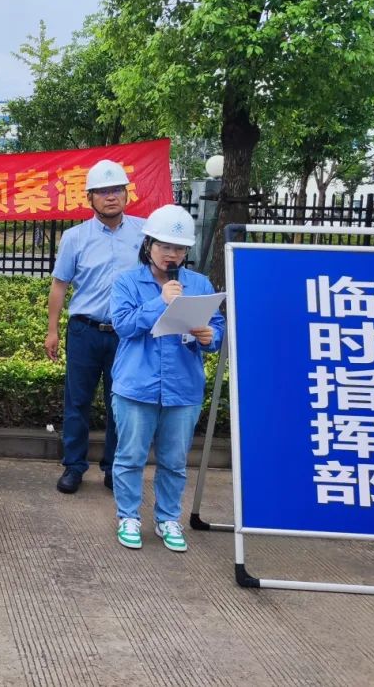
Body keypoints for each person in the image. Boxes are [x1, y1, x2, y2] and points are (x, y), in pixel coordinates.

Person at [109, 204, 224, 553]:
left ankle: (168, 518)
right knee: (130, 456)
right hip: (136, 386)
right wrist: (160, 302)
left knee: (174, 461)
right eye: (164, 246)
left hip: (183, 388)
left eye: (179, 248)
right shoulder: (127, 282)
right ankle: (128, 516)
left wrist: (210, 337)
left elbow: (217, 327)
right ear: (149, 245)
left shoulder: (199, 284)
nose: (171, 254)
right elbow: (123, 326)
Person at [46, 159, 144, 494]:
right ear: (89, 198)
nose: (110, 197)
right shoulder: (75, 237)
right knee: (77, 402)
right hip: (84, 330)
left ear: (126, 194)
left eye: (116, 190)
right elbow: (59, 285)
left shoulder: (144, 234)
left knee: (121, 402)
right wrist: (52, 330)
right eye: (102, 192)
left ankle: (114, 468)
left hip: (127, 334)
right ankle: (73, 466)